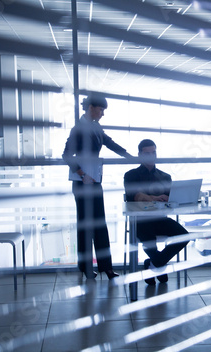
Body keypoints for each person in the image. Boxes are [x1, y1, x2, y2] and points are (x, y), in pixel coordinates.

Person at [63, 94, 133, 280]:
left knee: (100, 224)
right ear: (91, 107)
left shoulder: (95, 126)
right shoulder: (78, 129)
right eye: (101, 110)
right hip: (83, 182)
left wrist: (129, 157)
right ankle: (86, 268)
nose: (102, 114)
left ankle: (106, 268)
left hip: (94, 181)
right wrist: (82, 174)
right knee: (86, 226)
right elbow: (67, 155)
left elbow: (109, 142)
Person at [123, 139, 189, 285]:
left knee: (184, 236)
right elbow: (136, 196)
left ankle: (153, 264)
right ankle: (159, 265)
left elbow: (171, 200)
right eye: (147, 153)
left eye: (153, 152)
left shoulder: (165, 177)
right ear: (140, 155)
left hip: (160, 219)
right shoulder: (131, 175)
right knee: (147, 237)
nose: (151, 156)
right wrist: (154, 198)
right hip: (139, 221)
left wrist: (169, 199)